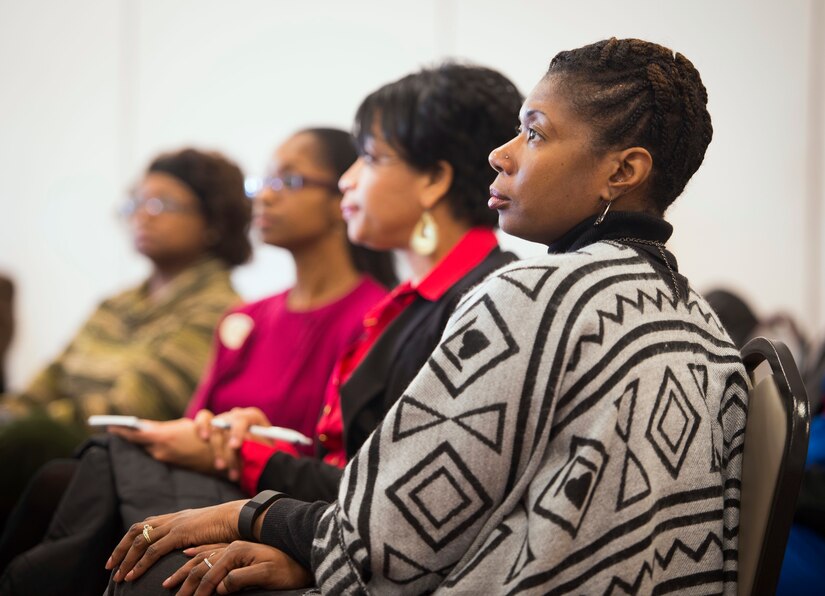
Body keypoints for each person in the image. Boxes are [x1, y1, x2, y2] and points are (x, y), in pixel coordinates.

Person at [106, 38, 749, 595]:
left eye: (534, 133)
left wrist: (249, 516)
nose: (503, 154)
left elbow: (387, 546)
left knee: (144, 559)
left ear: (623, 171)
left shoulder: (535, 296)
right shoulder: (703, 323)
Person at [0, 128, 394, 594]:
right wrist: (212, 433)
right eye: (261, 181)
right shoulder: (245, 316)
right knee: (77, 475)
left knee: (69, 472)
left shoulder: (373, 318)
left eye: (286, 182)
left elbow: (345, 466)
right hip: (206, 480)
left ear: (343, 193)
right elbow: (193, 422)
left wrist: (234, 445)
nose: (264, 196)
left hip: (281, 500)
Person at [0, 147, 251, 526]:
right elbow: (50, 378)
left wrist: (27, 426)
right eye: (136, 201)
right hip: (54, 447)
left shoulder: (222, 311)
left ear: (213, 221)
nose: (141, 214)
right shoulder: (115, 304)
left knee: (28, 439)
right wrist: (13, 415)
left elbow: (130, 412)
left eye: (160, 203)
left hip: (120, 465)